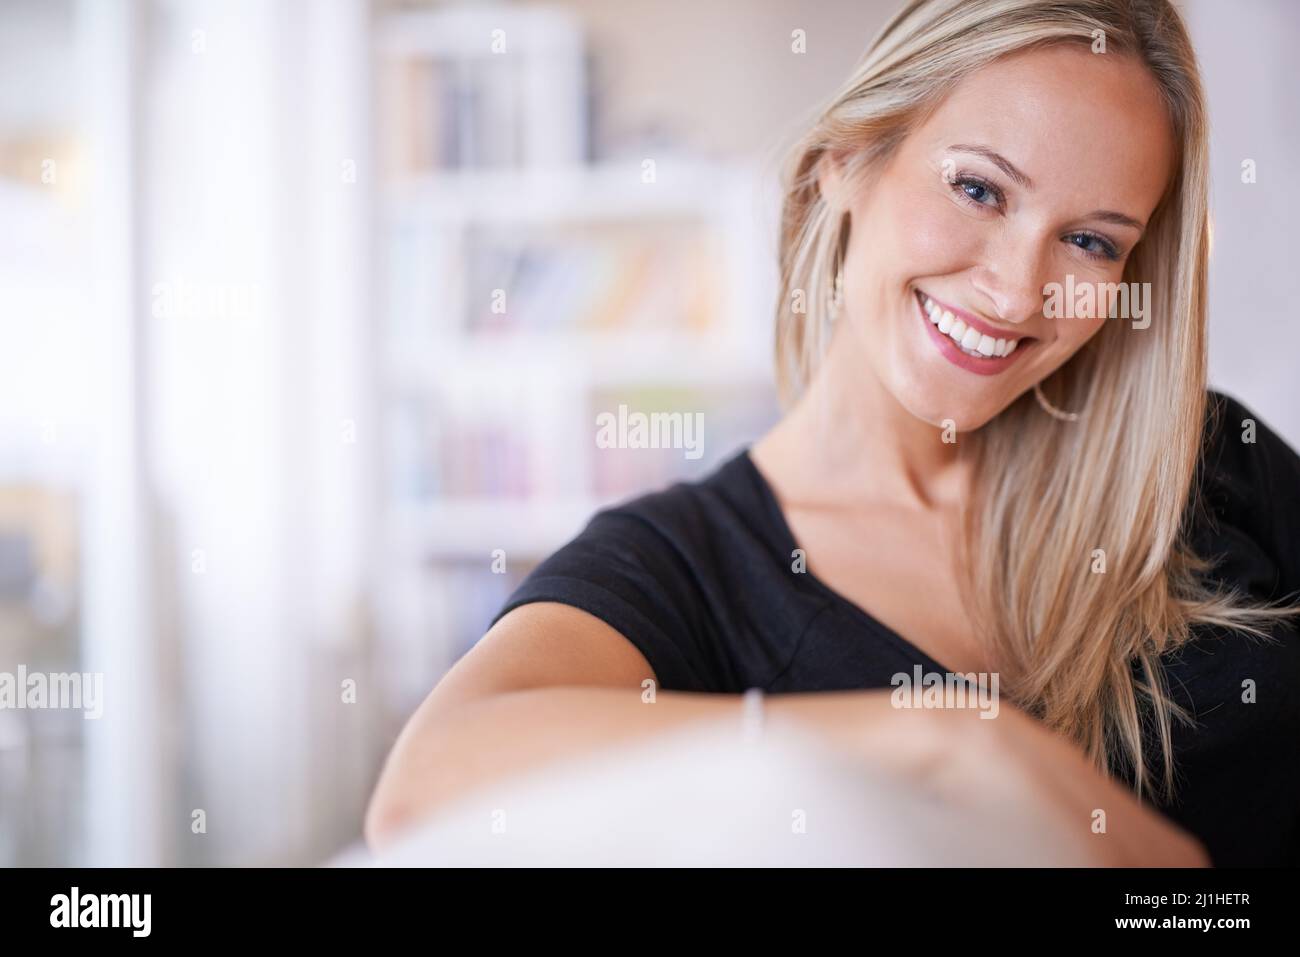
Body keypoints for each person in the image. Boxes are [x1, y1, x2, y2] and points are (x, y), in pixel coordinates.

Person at [366, 0, 1300, 866]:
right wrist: (946, 738)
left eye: (1092, 240)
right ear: (848, 161)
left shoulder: (1210, 461)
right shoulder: (685, 567)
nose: (1019, 290)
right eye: (979, 189)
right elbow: (422, 790)